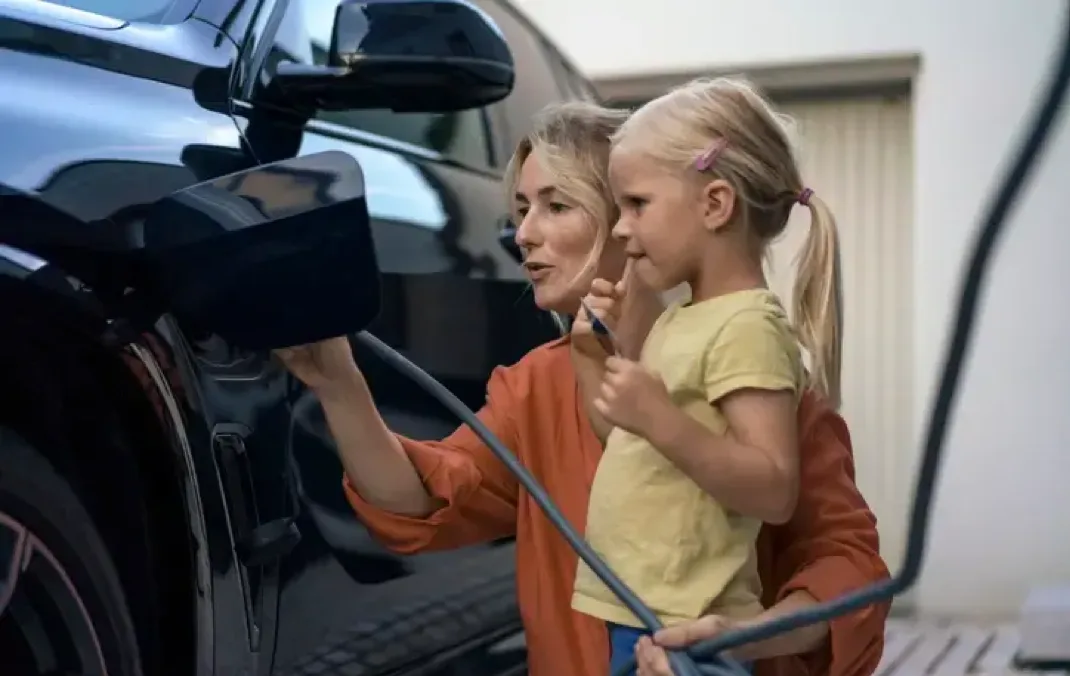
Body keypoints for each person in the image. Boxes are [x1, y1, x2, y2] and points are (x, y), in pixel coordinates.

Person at [275, 100, 889, 676]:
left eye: (556, 205)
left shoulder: (754, 369)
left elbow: (849, 570)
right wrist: (340, 386)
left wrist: (740, 637)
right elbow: (420, 500)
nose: (523, 235)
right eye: (520, 211)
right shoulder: (538, 383)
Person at [571, 77, 841, 675]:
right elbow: (624, 441)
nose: (619, 228)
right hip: (641, 611)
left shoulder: (748, 326)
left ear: (716, 204)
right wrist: (595, 360)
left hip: (688, 625)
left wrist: (663, 420)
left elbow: (774, 489)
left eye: (637, 204)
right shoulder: (684, 318)